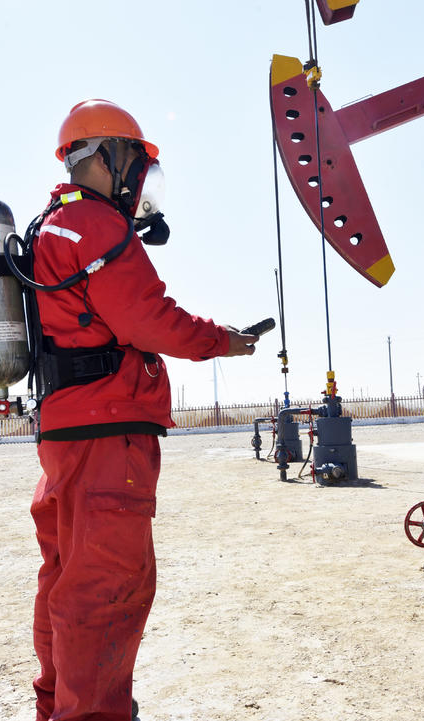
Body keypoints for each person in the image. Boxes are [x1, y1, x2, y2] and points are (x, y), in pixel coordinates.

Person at [28, 99, 258, 721]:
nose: (137, 179)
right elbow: (147, 319)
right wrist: (224, 341)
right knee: (107, 587)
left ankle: (58, 707)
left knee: (66, 580)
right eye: (133, 159)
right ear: (105, 156)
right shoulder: (97, 224)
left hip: (66, 431)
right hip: (108, 434)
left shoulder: (53, 224)